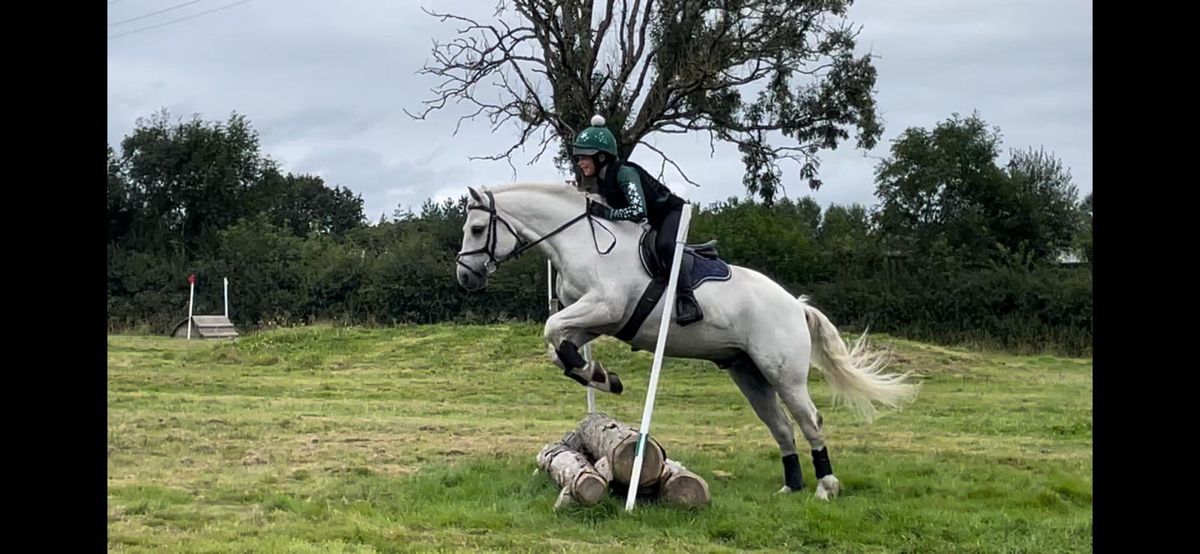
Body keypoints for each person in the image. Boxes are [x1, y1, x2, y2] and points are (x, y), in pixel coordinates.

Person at [571, 115, 702, 325]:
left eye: (584, 157)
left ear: (601, 157)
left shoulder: (624, 173)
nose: (580, 163)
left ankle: (689, 301)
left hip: (671, 213)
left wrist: (605, 214)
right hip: (651, 220)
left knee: (666, 246)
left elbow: (637, 210)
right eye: (579, 158)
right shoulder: (601, 180)